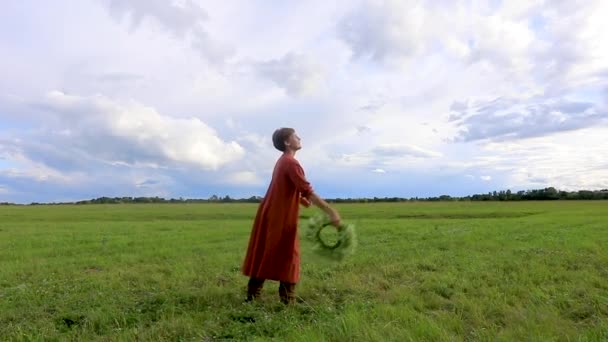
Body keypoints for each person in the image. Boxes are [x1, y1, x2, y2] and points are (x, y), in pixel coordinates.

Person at [241, 127, 341, 304]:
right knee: (288, 253)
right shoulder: (291, 163)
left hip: (272, 212)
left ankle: (253, 294)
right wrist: (331, 211)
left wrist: (300, 200)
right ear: (287, 142)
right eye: (295, 136)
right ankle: (288, 299)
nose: (299, 138)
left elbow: (285, 188)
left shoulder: (283, 161)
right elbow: (307, 190)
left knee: (268, 251)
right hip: (280, 216)